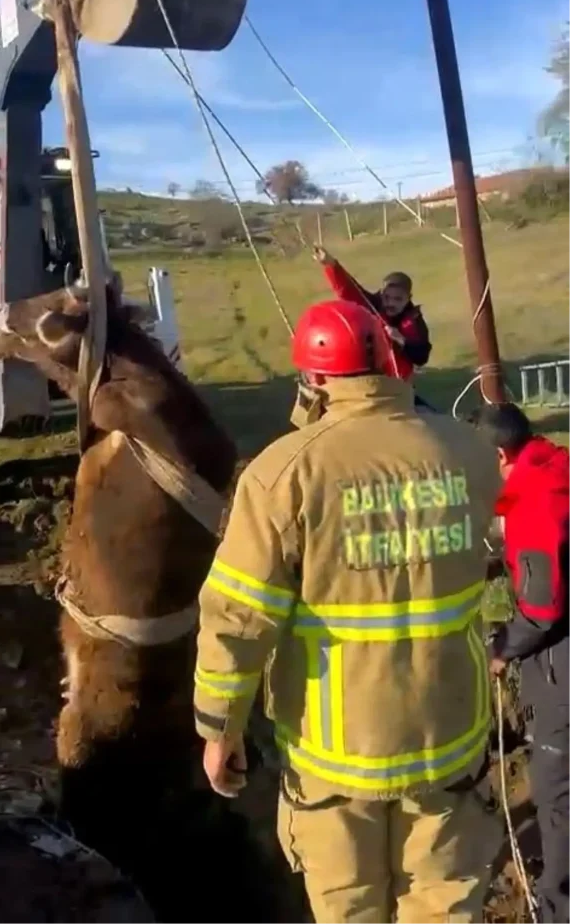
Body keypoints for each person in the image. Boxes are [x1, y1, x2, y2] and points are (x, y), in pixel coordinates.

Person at [193, 297, 503, 923]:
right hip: (448, 739)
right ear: (389, 359)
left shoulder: (283, 474)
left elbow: (238, 615)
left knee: (348, 910)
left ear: (311, 377)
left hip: (334, 759)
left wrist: (218, 726)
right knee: (445, 906)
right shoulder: (466, 450)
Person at [476, 402, 570, 924]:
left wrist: (501, 649)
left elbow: (541, 608)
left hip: (561, 669)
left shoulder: (535, 505)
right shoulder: (554, 467)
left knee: (557, 796)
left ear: (498, 454)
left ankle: (557, 906)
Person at [312, 243, 432, 381]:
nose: (391, 303)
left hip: (400, 387)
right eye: (387, 297)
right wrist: (331, 265)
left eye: (398, 299)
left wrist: (400, 339)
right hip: (372, 380)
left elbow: (422, 357)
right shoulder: (373, 305)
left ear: (408, 298)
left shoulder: (415, 321)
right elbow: (349, 290)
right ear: (382, 294)